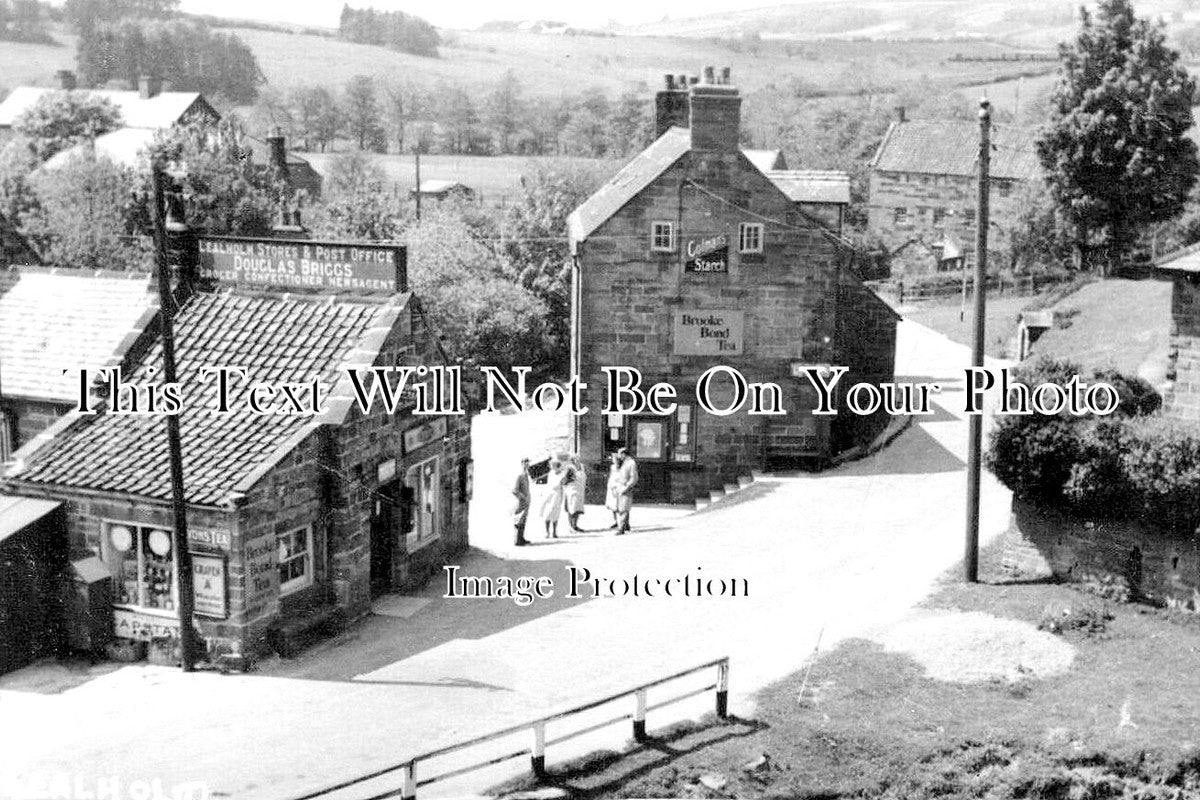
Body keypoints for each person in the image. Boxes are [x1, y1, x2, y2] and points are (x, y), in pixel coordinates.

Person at [611, 447, 638, 536]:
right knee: (622, 507)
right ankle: (626, 525)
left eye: (620, 454)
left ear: (624, 454)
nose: (619, 456)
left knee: (624, 508)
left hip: (626, 487)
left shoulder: (631, 463)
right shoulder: (624, 463)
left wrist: (627, 487)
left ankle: (621, 528)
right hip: (620, 486)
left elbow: (634, 477)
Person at [539, 459, 568, 539]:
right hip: (549, 494)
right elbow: (549, 484)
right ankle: (547, 532)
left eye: (552, 466)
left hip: (557, 495)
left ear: (556, 466)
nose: (551, 467)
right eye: (551, 466)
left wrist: (562, 482)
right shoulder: (551, 473)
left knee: (556, 512)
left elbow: (563, 483)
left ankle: (554, 532)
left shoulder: (562, 475)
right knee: (547, 512)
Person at [563, 455, 587, 532]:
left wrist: (586, 486)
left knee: (578, 508)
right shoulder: (569, 468)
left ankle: (575, 525)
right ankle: (571, 527)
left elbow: (585, 477)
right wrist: (571, 480)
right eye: (576, 459)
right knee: (571, 508)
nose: (577, 460)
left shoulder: (582, 467)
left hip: (580, 490)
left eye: (578, 458)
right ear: (572, 460)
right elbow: (565, 480)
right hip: (571, 490)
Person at [512, 457, 531, 546]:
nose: (526, 464)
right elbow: (514, 490)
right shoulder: (519, 475)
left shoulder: (526, 475)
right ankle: (517, 540)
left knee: (523, 520)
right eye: (524, 462)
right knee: (519, 521)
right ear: (521, 464)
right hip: (520, 502)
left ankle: (521, 538)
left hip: (526, 502)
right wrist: (523, 497)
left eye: (528, 463)